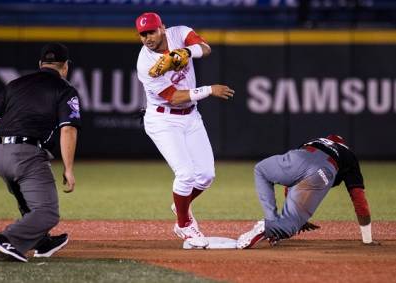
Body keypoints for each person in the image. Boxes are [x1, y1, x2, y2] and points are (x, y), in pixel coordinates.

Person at [135, 12, 234, 247]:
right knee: (186, 174)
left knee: (206, 175)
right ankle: (184, 225)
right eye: (142, 34)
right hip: (163, 121)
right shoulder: (145, 63)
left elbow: (205, 48)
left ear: (163, 28)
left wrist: (186, 52)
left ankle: (181, 203)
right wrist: (209, 90)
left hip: (191, 117)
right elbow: (173, 97)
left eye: (151, 31)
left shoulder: (179, 33)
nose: (147, 37)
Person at [0, 43, 81, 262]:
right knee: (47, 212)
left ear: (40, 64)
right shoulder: (65, 89)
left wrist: (6, 146)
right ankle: (5, 239)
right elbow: (68, 129)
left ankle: (41, 241)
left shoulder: (14, 84)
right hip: (27, 155)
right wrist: (68, 169)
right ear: (65, 67)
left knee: (29, 204)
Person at [237, 134, 379, 249]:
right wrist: (367, 240)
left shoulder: (315, 140)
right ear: (344, 145)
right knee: (289, 227)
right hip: (323, 169)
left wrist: (294, 211)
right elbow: (358, 198)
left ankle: (272, 220)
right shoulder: (349, 155)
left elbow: (294, 182)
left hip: (301, 155)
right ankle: (270, 227)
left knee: (261, 170)